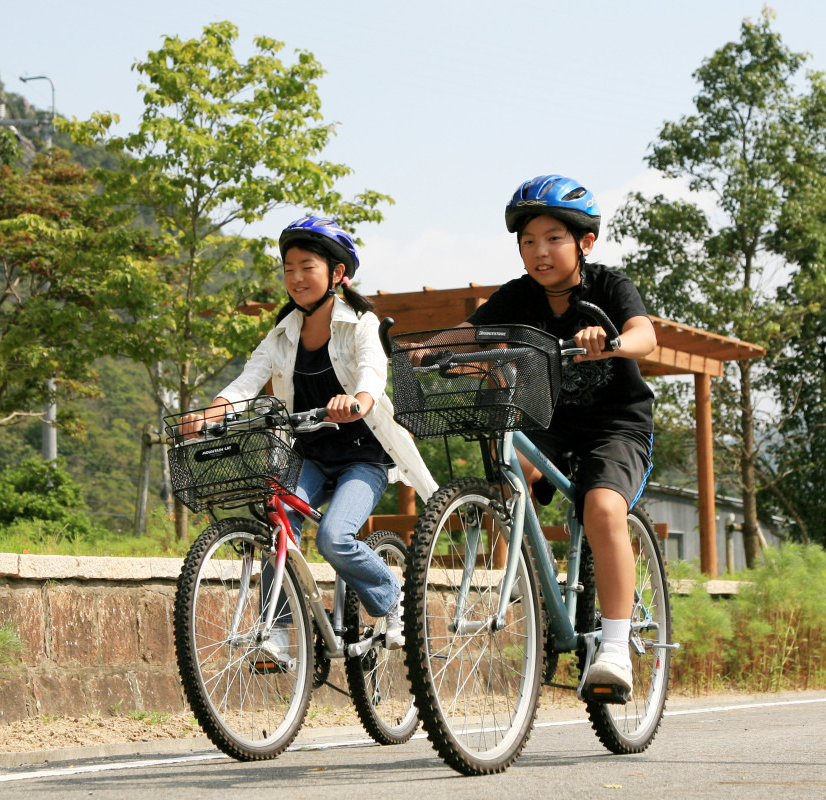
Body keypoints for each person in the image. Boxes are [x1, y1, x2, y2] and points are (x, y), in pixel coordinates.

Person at [181, 216, 437, 663]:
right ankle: (277, 629)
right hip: (308, 455)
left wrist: (357, 400)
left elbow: (373, 373)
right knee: (277, 523)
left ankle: (392, 593)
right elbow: (248, 380)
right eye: (288, 268)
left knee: (335, 538)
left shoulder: (361, 322)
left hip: (363, 457)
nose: (295, 278)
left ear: (338, 273)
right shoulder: (283, 332)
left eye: (307, 267)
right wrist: (209, 413)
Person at [464, 174, 657, 696]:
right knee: (507, 479)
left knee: (601, 508)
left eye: (553, 239)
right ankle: (535, 588)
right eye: (528, 241)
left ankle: (616, 649)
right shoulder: (516, 298)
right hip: (546, 422)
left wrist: (612, 341)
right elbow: (465, 337)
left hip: (615, 424)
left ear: (584, 243)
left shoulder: (609, 286)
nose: (539, 252)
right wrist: (436, 355)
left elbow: (646, 335)